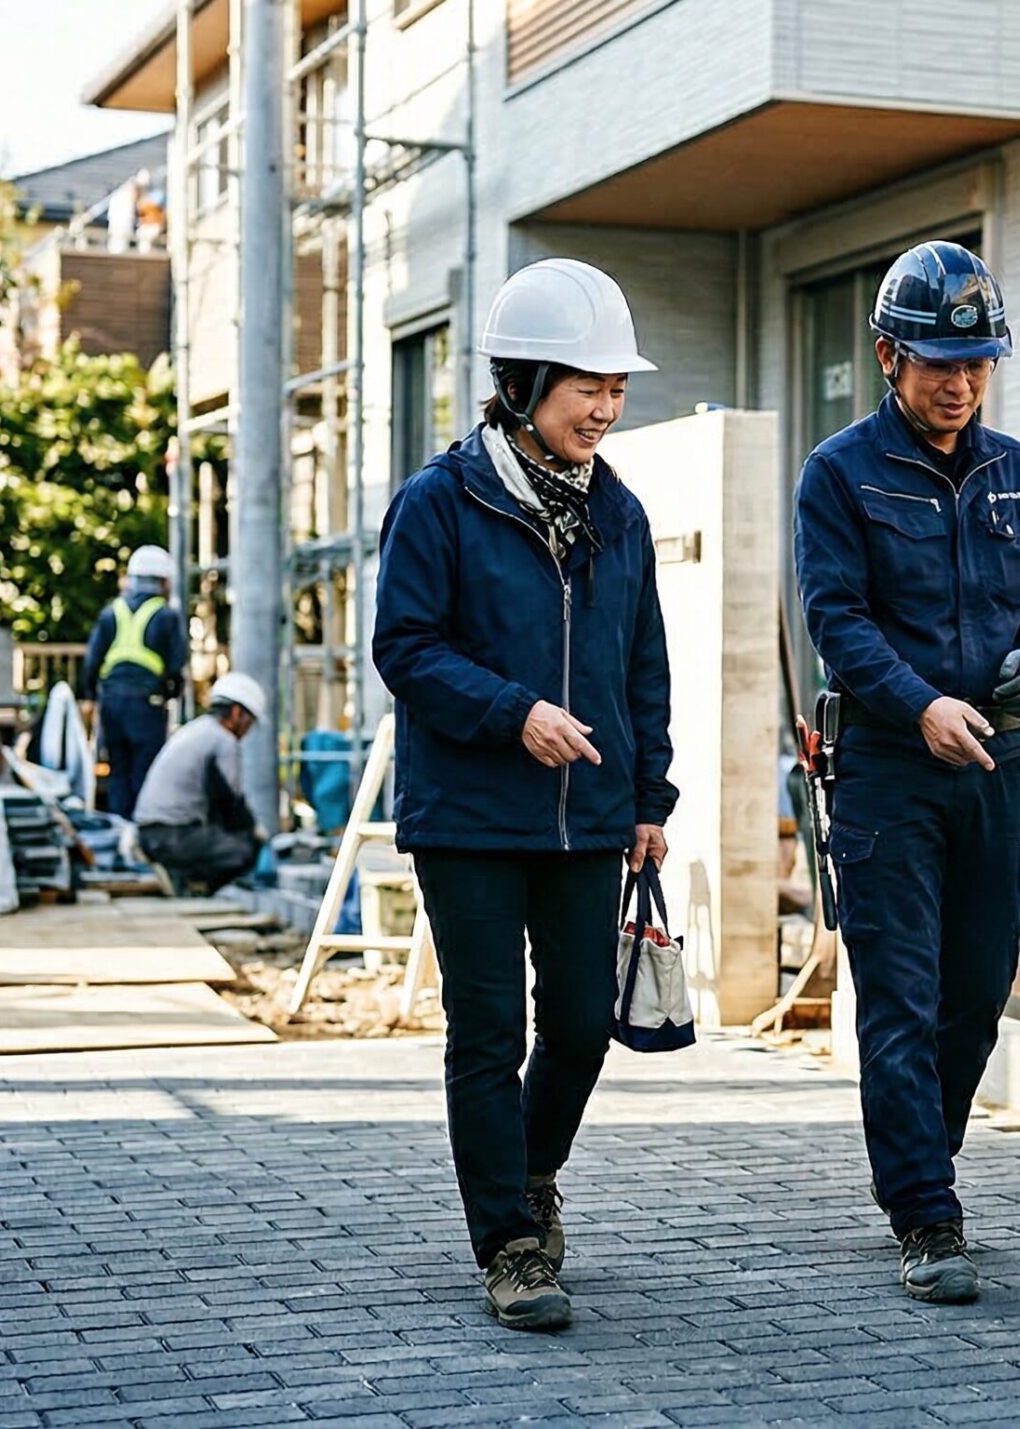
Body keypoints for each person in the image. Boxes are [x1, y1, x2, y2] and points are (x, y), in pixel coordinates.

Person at [372, 257, 677, 1334]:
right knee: (488, 1029)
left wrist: (652, 795)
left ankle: (532, 1174)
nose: (603, 405)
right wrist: (514, 713)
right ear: (523, 384)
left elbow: (644, 661)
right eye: (584, 383)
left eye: (614, 386)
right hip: (468, 816)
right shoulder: (439, 502)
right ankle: (508, 1242)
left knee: (586, 1024)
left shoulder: (621, 514)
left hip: (591, 816)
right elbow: (404, 646)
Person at [793, 240, 1020, 1304]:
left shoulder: (1018, 472)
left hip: (1000, 763)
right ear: (886, 357)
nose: (957, 383)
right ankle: (926, 1210)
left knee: (977, 988)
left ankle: (922, 1162)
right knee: (901, 996)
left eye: (976, 364)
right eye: (935, 363)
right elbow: (837, 621)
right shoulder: (839, 474)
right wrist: (921, 704)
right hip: (887, 772)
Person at [133, 671, 267, 892]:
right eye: (249, 722)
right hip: (173, 836)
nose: (247, 731)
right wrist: (257, 835)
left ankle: (180, 875)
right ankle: (187, 880)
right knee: (243, 851)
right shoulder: (224, 741)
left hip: (149, 833)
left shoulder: (197, 729)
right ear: (236, 713)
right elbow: (229, 803)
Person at [82, 544, 186, 818]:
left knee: (119, 771)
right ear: (164, 581)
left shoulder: (111, 612)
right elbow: (177, 664)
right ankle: (140, 838)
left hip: (112, 702)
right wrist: (172, 692)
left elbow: (92, 661)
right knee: (145, 773)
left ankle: (119, 835)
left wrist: (92, 695)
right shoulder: (166, 616)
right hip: (146, 704)